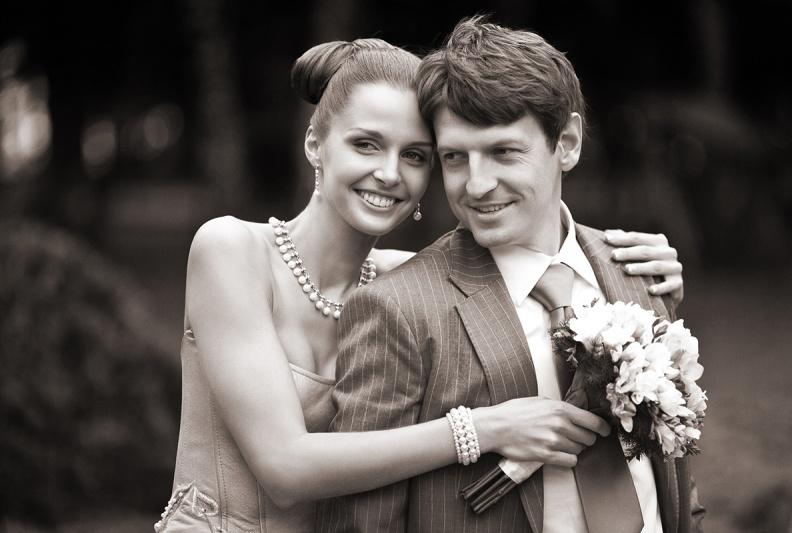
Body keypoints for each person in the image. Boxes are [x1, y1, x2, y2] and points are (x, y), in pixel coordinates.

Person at [157, 38, 688, 533]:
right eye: (366, 144)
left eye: (415, 155)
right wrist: (484, 428)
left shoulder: (403, 281)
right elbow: (284, 467)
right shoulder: (231, 250)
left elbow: (531, 268)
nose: (390, 174)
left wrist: (635, 276)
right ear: (315, 143)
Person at [315, 17, 704, 533]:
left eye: (503, 152)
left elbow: (673, 466)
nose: (477, 185)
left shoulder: (639, 272)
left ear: (567, 142)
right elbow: (361, 520)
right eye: (455, 158)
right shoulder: (398, 309)